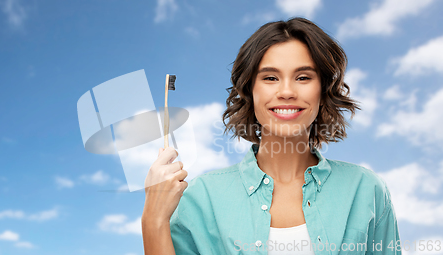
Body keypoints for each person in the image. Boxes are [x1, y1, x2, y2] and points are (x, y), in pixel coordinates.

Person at [141, 17, 401, 255]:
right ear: (249, 90)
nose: (286, 91)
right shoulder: (201, 197)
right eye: (270, 78)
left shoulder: (367, 190)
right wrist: (153, 220)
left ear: (322, 90)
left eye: (302, 77)